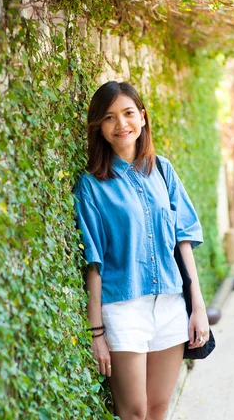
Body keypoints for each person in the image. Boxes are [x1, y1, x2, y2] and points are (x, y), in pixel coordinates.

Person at [74, 81, 210, 420]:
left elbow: (183, 239)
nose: (121, 125)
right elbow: (94, 262)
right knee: (134, 412)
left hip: (170, 304)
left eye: (128, 113)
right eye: (109, 117)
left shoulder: (163, 170)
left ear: (143, 117)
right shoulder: (91, 186)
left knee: (160, 408)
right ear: (100, 129)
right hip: (123, 309)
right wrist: (96, 333)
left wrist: (198, 307)